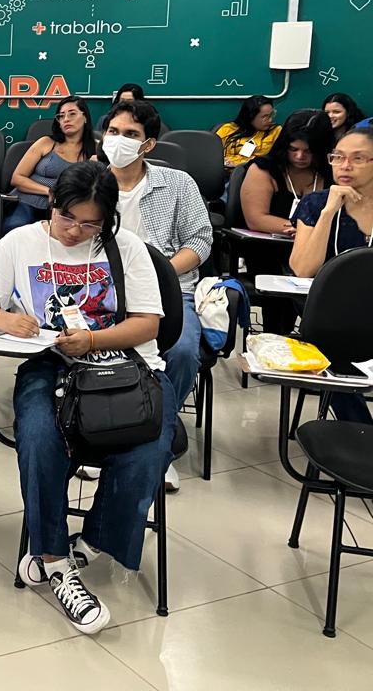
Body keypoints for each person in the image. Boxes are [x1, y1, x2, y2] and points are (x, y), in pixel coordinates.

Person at [0, 161, 173, 635]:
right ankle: (55, 560)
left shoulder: (127, 248)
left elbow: (148, 324)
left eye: (90, 224)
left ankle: (95, 539)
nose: (75, 231)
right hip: (50, 363)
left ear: (108, 220)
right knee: (40, 437)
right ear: (52, 203)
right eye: (67, 217)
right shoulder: (19, 242)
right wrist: (8, 320)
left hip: (124, 365)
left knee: (148, 447)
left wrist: (94, 340)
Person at [101, 99, 211, 492]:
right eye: (113, 132)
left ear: (148, 144)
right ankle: (98, 431)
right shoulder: (90, 182)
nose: (119, 140)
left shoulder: (178, 183)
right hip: (101, 291)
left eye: (130, 134)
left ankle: (158, 443)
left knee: (181, 352)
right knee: (89, 348)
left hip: (169, 290)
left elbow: (200, 240)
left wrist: (159, 274)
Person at [290, 126, 373, 424]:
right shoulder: (315, 203)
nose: (345, 166)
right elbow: (303, 269)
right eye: (338, 157)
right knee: (329, 342)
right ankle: (361, 431)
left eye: (358, 158)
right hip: (329, 312)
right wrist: (328, 212)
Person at [239, 111, 332, 333]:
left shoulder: (331, 173)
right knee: (282, 281)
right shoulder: (263, 169)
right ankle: (277, 336)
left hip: (321, 251)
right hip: (270, 250)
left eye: (308, 151)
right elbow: (256, 219)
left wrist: (309, 236)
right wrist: (303, 230)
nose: (300, 156)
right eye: (293, 149)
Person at [5, 95, 96, 233]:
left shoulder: (95, 150)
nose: (66, 119)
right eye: (61, 116)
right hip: (27, 201)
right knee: (17, 228)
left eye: (72, 114)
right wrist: (49, 192)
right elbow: (17, 178)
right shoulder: (46, 142)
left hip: (67, 207)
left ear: (85, 118)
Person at [215, 94, 280, 169]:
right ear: (250, 116)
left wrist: (238, 164)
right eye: (264, 117)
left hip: (255, 172)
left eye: (271, 115)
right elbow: (211, 154)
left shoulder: (275, 131)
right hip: (224, 171)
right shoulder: (228, 129)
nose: (270, 120)